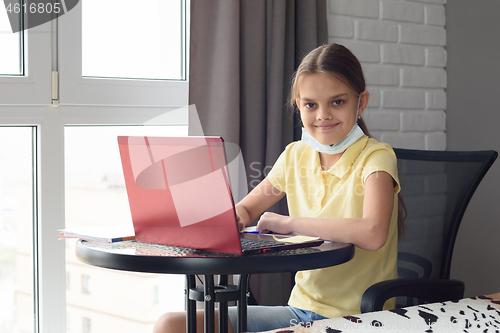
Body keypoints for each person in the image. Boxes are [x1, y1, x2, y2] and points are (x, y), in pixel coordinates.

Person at [153, 43, 404, 333]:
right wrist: (234, 217)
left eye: (337, 102)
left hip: (360, 319)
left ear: (360, 103)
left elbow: (373, 233)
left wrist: (289, 223)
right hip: (300, 311)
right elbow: (247, 208)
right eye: (311, 104)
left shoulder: (376, 157)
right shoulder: (295, 155)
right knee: (170, 325)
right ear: (299, 106)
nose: (322, 114)